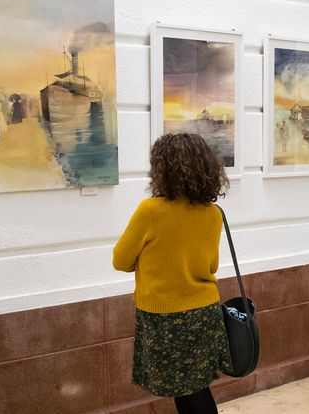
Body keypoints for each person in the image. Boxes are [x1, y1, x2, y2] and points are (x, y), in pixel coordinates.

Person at [113, 133, 232, 414]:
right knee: (195, 388)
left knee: (188, 393)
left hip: (166, 317)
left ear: (162, 169)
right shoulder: (213, 213)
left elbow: (120, 260)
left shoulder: (150, 210)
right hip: (204, 313)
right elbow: (211, 265)